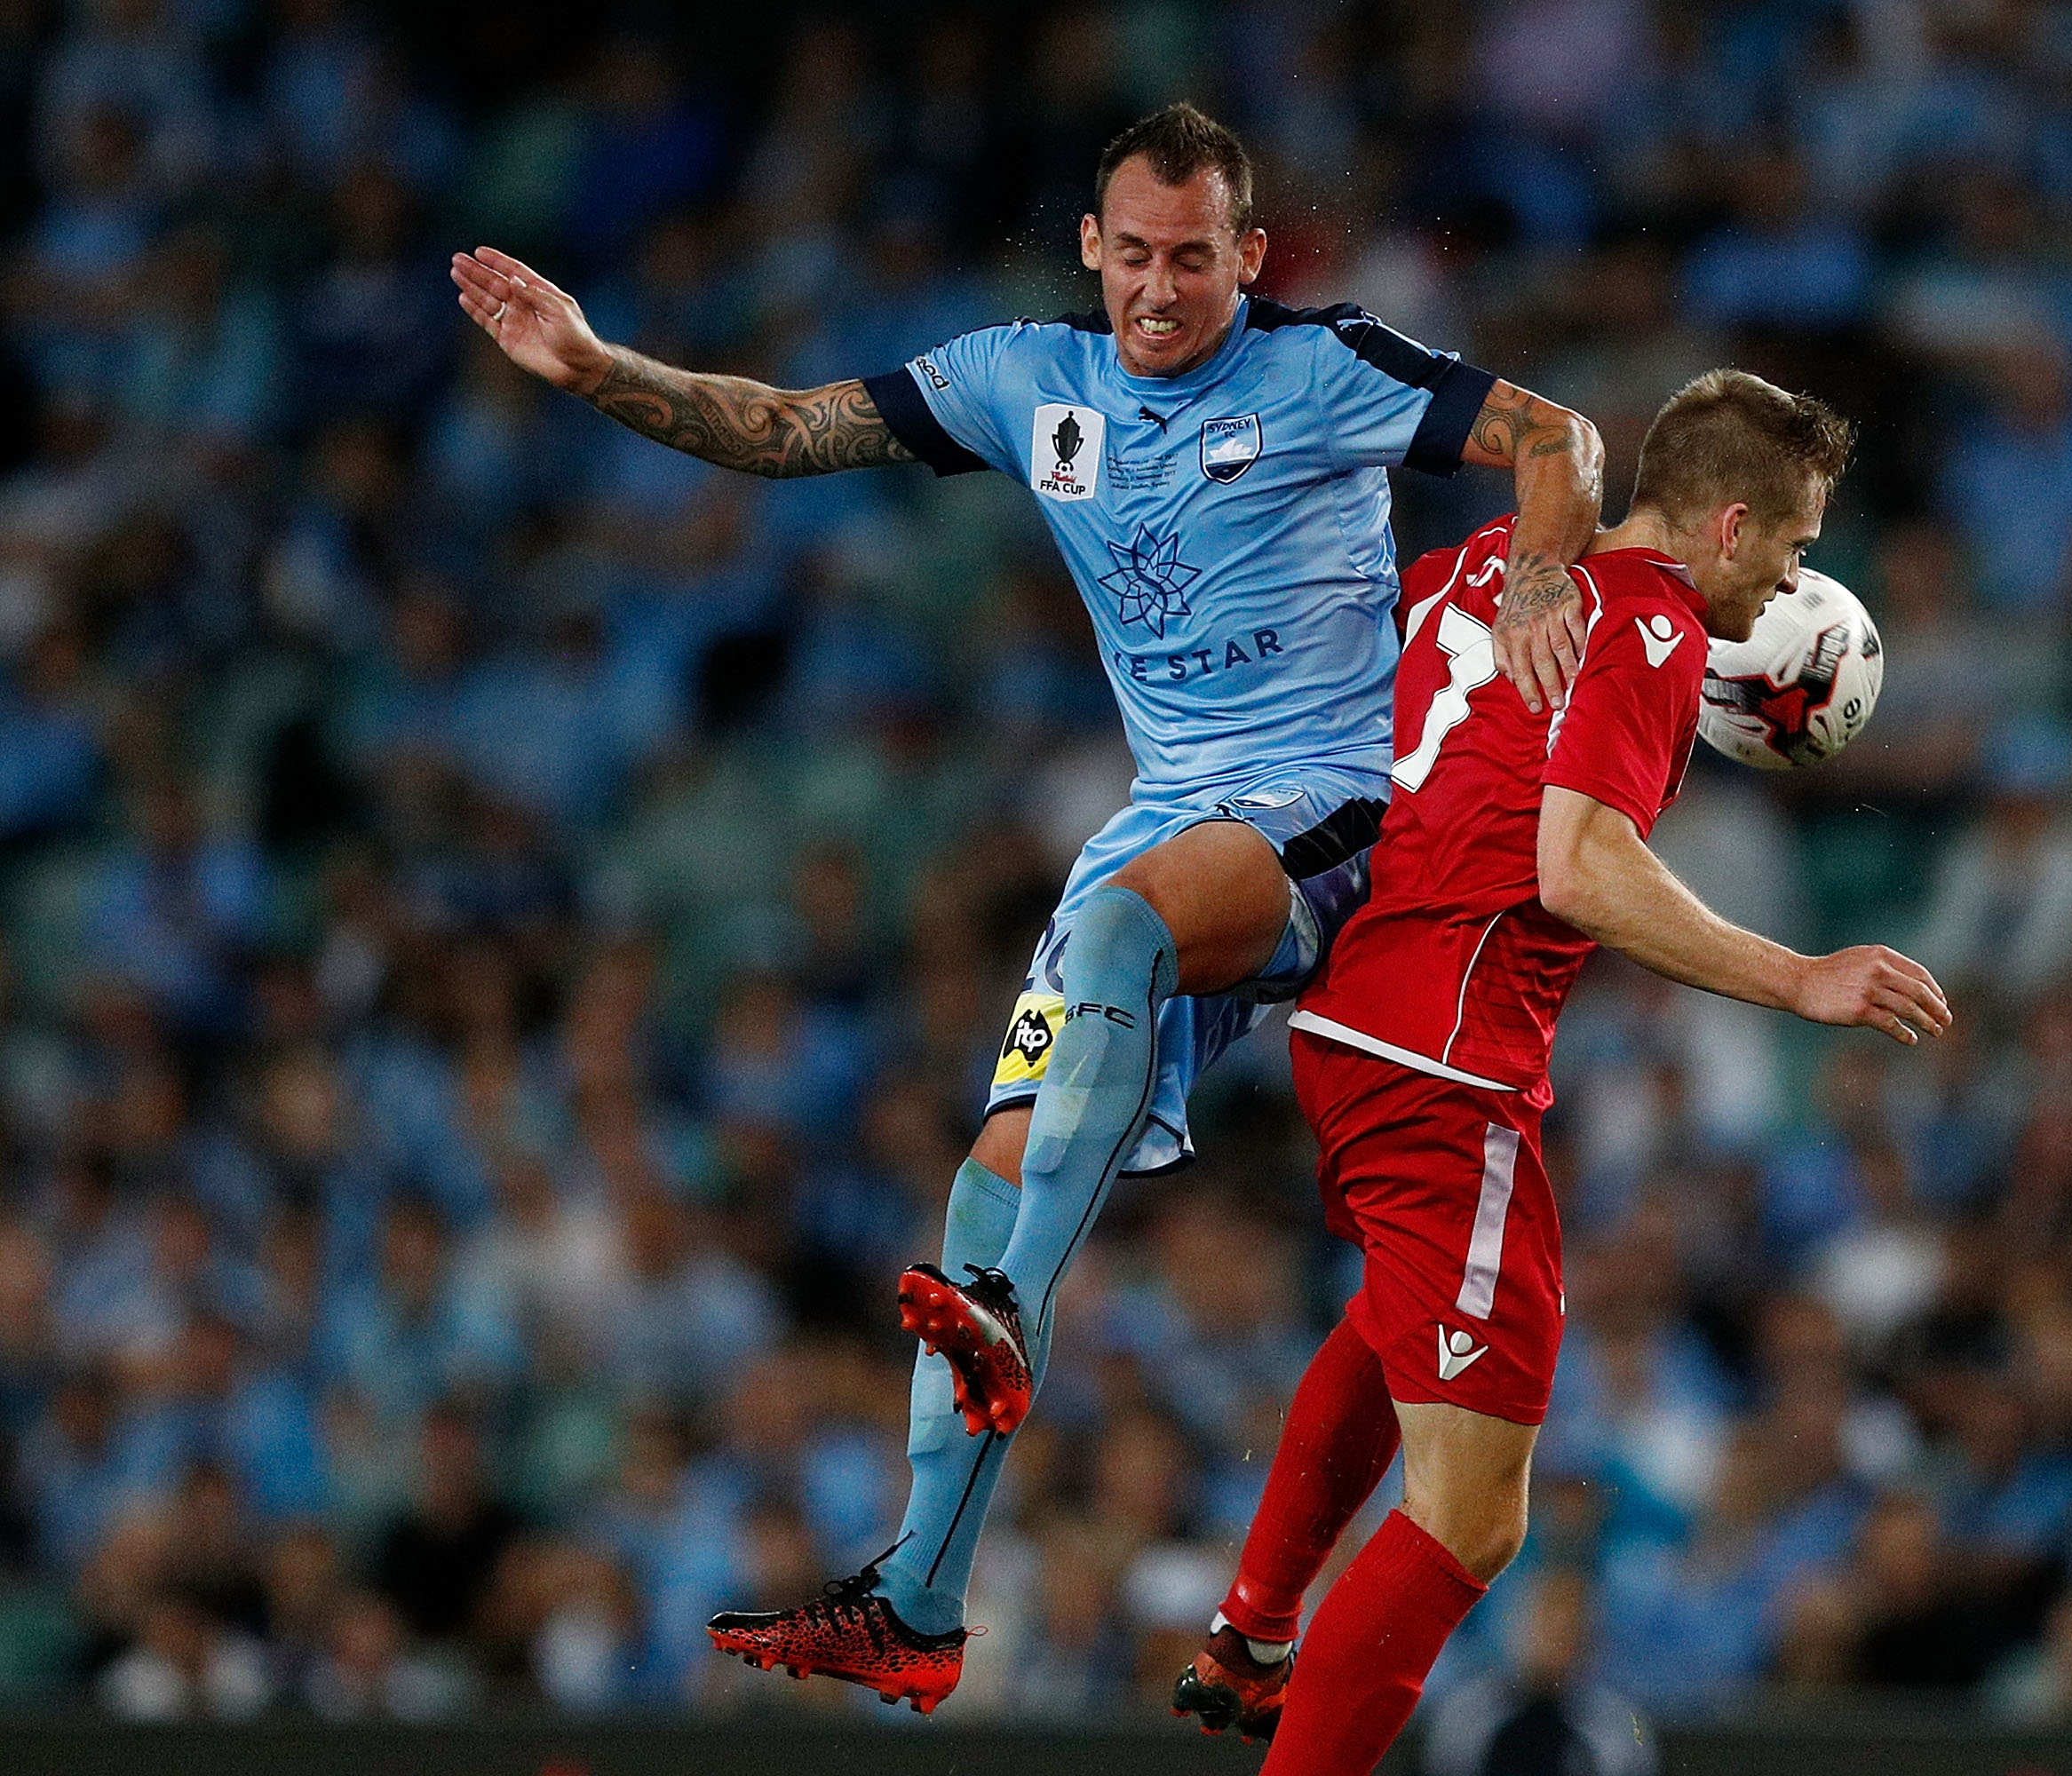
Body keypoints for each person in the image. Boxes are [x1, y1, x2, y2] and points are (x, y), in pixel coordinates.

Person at [448, 103, 1603, 1714]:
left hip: (1331, 805)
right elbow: (781, 426)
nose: (1160, 288)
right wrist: (591, 365)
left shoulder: (1327, 365)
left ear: (1247, 256)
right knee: (986, 1178)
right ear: (1092, 247)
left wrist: (1544, 577)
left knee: (1119, 948)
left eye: (1195, 259)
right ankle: (916, 1595)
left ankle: (1007, 1308)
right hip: (1161, 817)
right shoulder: (1022, 380)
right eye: (1134, 254)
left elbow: (1560, 441)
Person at [1169, 370, 1949, 1770]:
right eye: (1796, 543)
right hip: (1441, 1058)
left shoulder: (1490, 563)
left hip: (1358, 1018)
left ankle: (1257, 1619)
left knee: (1394, 1327)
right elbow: (1578, 866)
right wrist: (1800, 978)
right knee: (1474, 1516)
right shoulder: (1648, 631)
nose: (1791, 578)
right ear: (1726, 523)